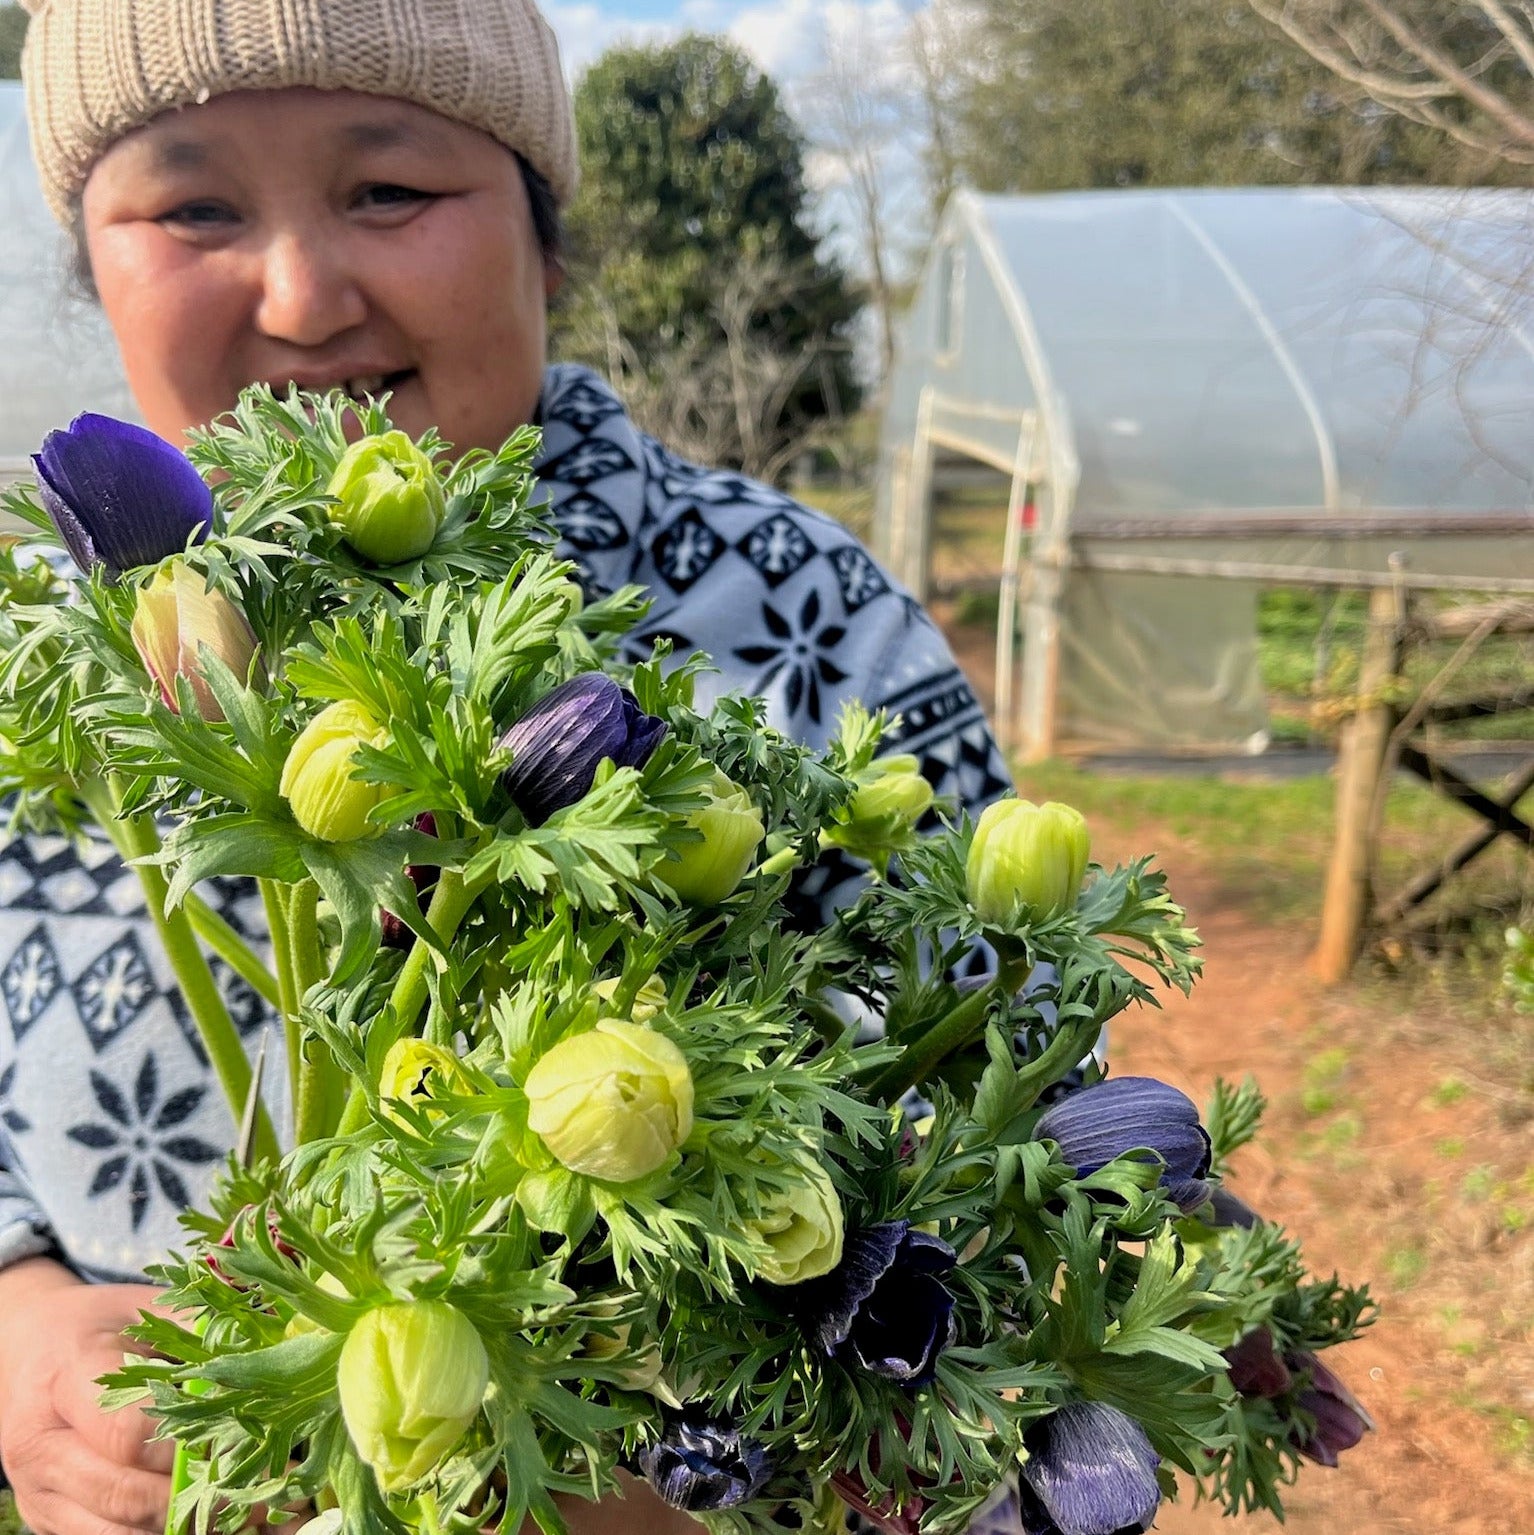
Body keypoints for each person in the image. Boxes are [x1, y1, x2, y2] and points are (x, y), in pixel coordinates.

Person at [0, 3, 1013, 1531]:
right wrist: (15, 1336)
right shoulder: (49, 650)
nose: (298, 293)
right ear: (94, 260)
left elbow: (1012, 1116)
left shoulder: (807, 617)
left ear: (544, 237)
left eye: (387, 191)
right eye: (195, 205)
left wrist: (694, 1469)